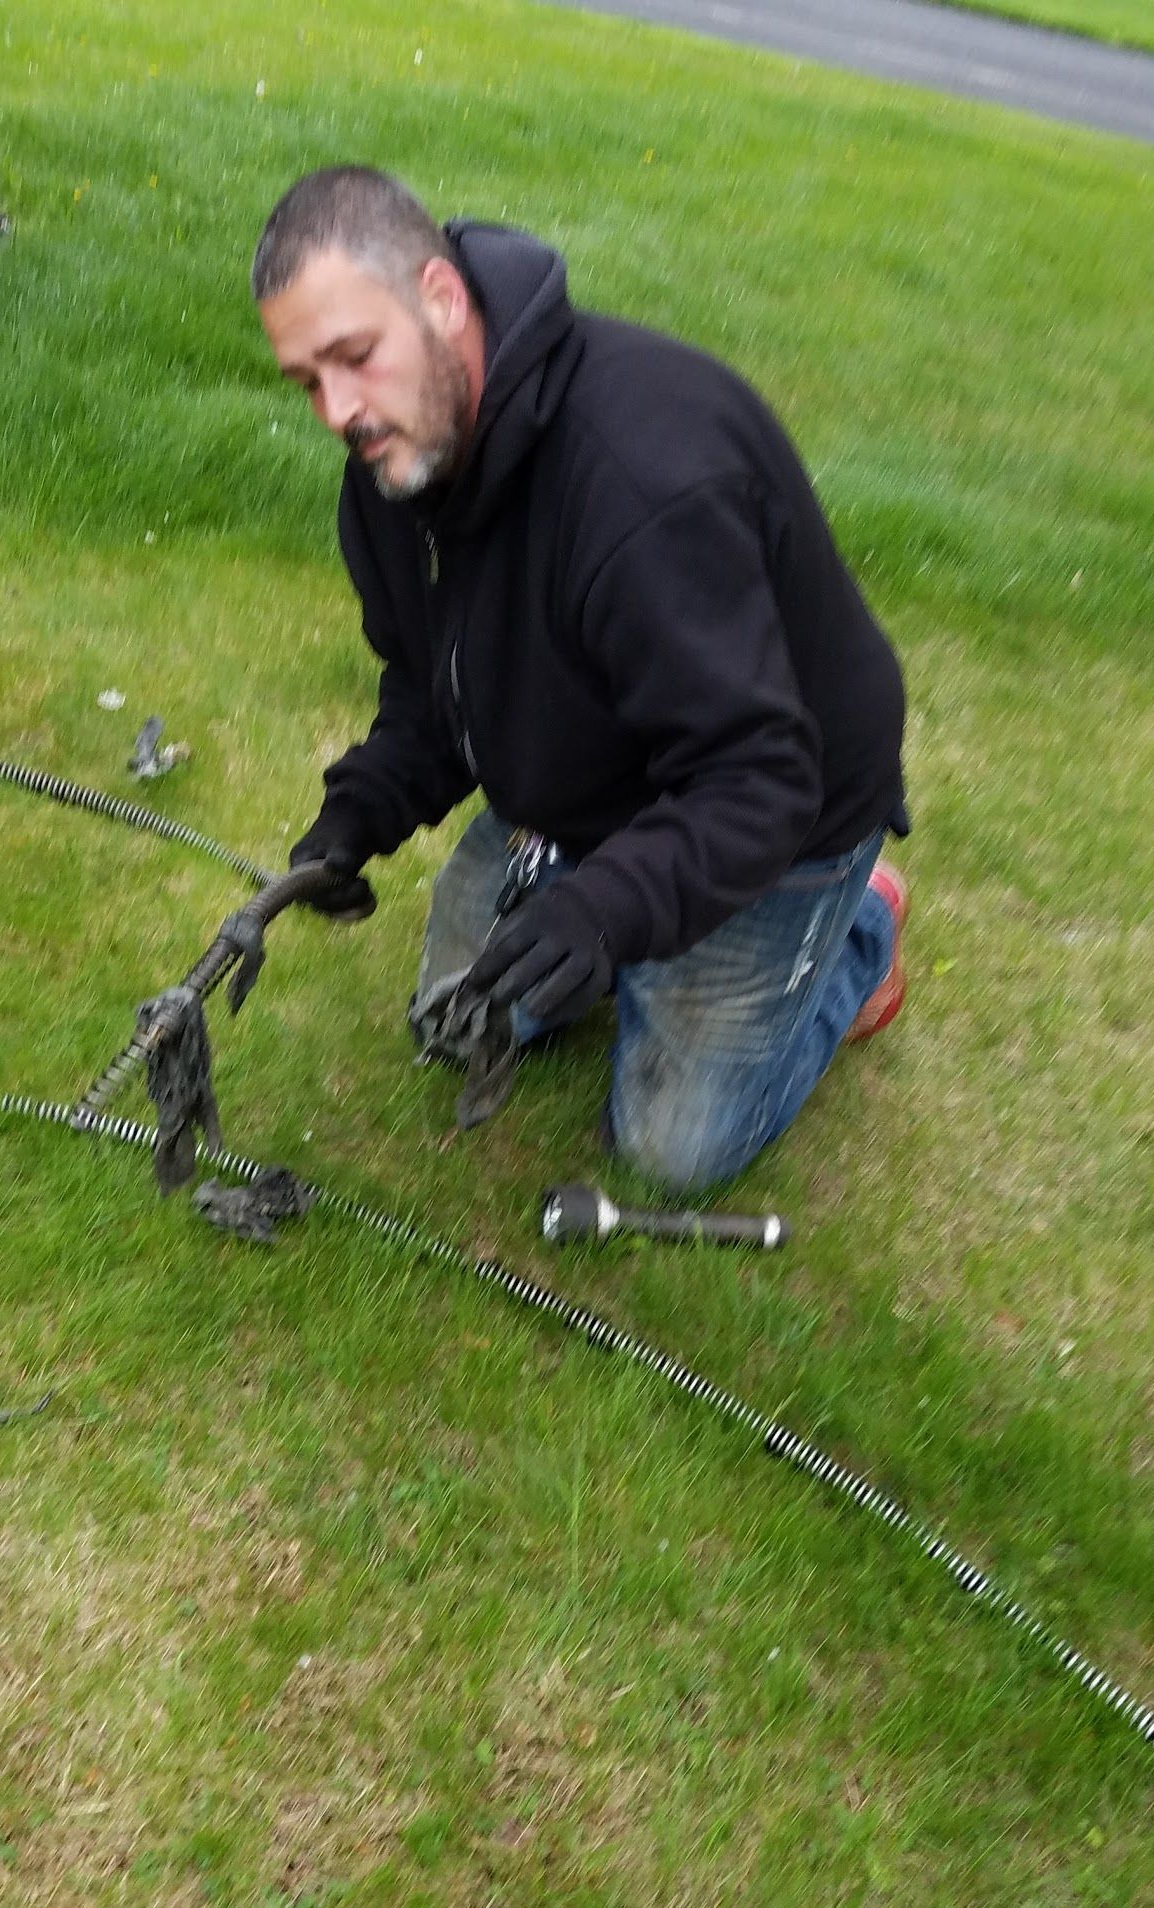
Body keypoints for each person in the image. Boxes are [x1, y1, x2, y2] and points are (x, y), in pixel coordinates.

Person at [245, 163, 910, 1192]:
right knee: (453, 1026)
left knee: (667, 1149)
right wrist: (357, 814)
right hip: (595, 783)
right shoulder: (394, 469)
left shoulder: (645, 482)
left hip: (779, 802)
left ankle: (857, 928)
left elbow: (760, 778)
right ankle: (626, 903)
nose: (337, 408)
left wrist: (604, 910)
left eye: (355, 357)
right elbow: (435, 690)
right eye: (308, 381)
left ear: (439, 295)